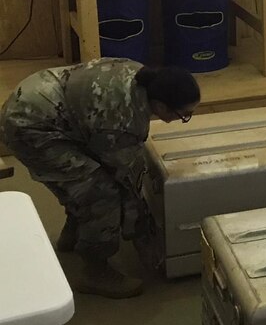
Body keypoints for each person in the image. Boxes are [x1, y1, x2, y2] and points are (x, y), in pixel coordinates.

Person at [0, 58, 200, 298]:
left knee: (85, 177)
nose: (184, 119)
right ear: (161, 105)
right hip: (31, 127)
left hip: (41, 102)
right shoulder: (123, 120)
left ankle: (76, 230)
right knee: (100, 192)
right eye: (184, 114)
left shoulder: (140, 75)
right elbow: (127, 184)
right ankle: (95, 270)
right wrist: (147, 241)